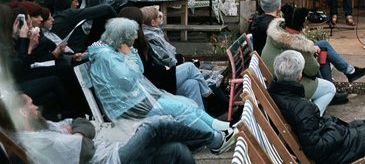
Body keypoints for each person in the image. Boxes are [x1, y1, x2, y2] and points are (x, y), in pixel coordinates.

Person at [86, 18, 233, 153]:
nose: (136, 37)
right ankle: (216, 141)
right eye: (132, 35)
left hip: (138, 99)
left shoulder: (113, 51)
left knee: (185, 104)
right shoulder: (107, 57)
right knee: (181, 109)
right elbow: (129, 79)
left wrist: (130, 53)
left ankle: (221, 128)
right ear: (122, 38)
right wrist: (129, 54)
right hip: (129, 107)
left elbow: (139, 71)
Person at [11, 92, 228, 163]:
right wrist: (79, 133)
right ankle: (216, 140)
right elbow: (85, 148)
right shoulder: (34, 140)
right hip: (109, 159)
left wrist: (77, 131)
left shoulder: (43, 125)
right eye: (31, 105)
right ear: (22, 112)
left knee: (176, 149)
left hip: (108, 147)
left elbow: (79, 121)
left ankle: (217, 137)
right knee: (157, 125)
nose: (36, 106)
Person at [268, 50, 365, 164]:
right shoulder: (301, 107)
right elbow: (316, 148)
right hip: (329, 154)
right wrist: (338, 131)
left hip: (325, 138)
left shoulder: (277, 92)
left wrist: (333, 127)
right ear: (299, 76)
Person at [251, 0, 365, 88]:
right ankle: (344, 76)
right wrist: (310, 47)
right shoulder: (273, 25)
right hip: (279, 62)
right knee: (322, 49)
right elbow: (288, 42)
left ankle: (344, 76)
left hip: (276, 57)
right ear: (277, 5)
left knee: (323, 47)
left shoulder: (259, 21)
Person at [263, 3, 364, 112]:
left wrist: (311, 48)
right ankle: (314, 115)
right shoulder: (299, 45)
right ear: (301, 25)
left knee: (323, 46)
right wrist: (311, 53)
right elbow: (313, 70)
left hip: (274, 77)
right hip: (287, 85)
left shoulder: (276, 33)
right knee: (329, 85)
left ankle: (349, 71)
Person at [139, 5, 226, 113]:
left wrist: (177, 58)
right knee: (190, 67)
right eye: (158, 17)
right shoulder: (150, 37)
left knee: (192, 84)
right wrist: (177, 60)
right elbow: (164, 59)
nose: (161, 18)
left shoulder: (152, 33)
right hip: (161, 79)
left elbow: (167, 53)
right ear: (152, 22)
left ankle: (201, 119)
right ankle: (209, 95)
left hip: (163, 73)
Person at [52, 0, 116, 52]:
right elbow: (106, 8)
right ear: (67, 1)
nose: (77, 4)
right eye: (76, 1)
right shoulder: (69, 14)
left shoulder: (56, 16)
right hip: (78, 52)